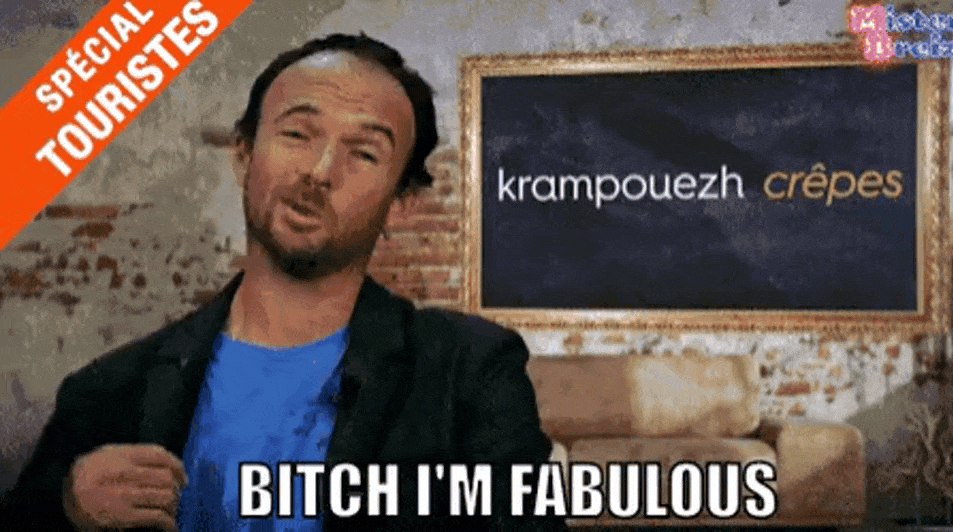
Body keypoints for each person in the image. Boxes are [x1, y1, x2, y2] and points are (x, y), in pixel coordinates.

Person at [2, 33, 559, 531]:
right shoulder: (108, 392)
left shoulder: (469, 375)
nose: (320, 170)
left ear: (402, 204)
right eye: (296, 133)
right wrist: (66, 508)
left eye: (364, 153)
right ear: (243, 155)